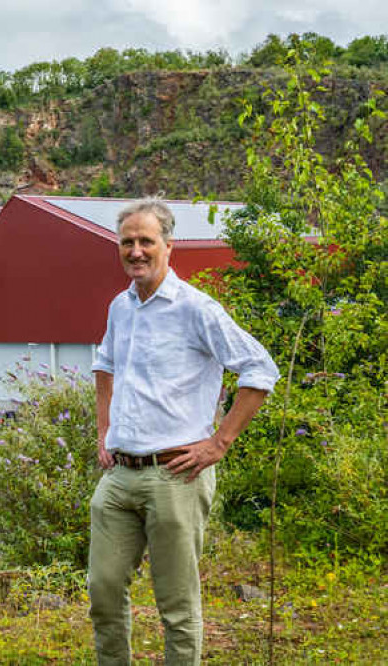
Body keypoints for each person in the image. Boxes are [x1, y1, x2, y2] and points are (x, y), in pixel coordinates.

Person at [88, 198, 280, 665]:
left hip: (176, 475)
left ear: (168, 246)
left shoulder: (197, 309)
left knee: (176, 605)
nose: (135, 251)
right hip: (120, 475)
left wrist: (219, 443)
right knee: (103, 590)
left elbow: (260, 371)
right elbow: (105, 365)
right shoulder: (121, 307)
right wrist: (104, 431)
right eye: (127, 242)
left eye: (145, 241)